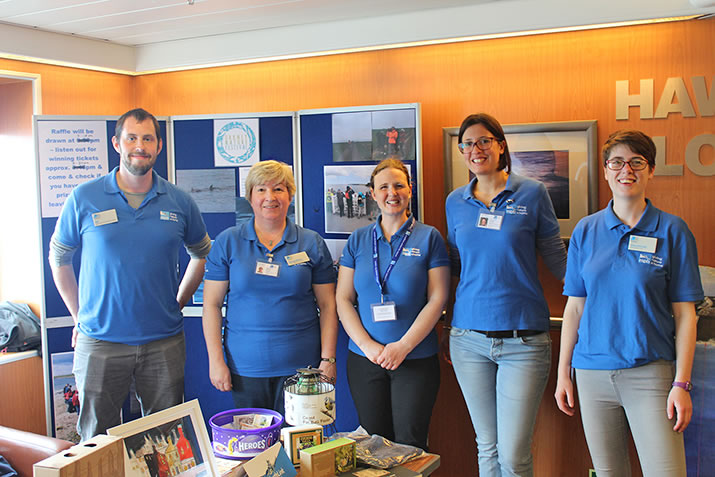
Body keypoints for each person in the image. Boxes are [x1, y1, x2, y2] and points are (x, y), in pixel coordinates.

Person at [49, 108, 211, 441]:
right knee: (95, 439)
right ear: (117, 143)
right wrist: (80, 318)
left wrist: (178, 301)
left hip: (163, 341)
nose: (140, 146)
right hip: (100, 342)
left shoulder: (179, 201)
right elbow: (59, 257)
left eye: (147, 138)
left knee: (165, 439)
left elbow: (201, 253)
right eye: (132, 138)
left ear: (159, 146)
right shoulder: (84, 197)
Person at [555, 130, 703, 477]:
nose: (627, 170)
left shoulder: (673, 231)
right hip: (591, 375)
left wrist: (681, 384)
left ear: (651, 170)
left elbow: (685, 316)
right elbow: (575, 307)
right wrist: (564, 373)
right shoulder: (586, 231)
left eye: (637, 162)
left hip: (650, 373)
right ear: (606, 171)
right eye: (617, 162)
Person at [445, 113, 567, 476]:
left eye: (484, 141)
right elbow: (454, 263)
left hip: (524, 341)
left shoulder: (532, 192)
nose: (476, 149)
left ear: (500, 145)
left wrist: (596, 294)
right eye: (467, 143)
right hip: (468, 340)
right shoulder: (455, 201)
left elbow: (556, 258)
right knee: (487, 448)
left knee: (513, 455)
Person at [202, 160, 338, 415]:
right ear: (250, 196)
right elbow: (211, 305)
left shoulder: (311, 243)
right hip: (245, 369)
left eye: (278, 189)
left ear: (290, 195)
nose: (270, 197)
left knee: (302, 449)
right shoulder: (228, 242)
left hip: (304, 369)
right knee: (256, 448)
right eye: (261, 189)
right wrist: (216, 360)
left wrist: (328, 360)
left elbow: (329, 305)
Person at [336, 158, 450, 451]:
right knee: (372, 445)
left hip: (415, 359)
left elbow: (437, 299)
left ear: (410, 189)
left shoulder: (429, 237)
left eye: (399, 185)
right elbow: (343, 299)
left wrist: (403, 346)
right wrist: (368, 346)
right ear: (372, 194)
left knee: (410, 447)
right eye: (383, 186)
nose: (392, 192)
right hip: (365, 360)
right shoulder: (358, 240)